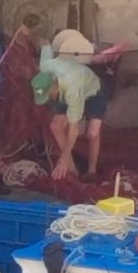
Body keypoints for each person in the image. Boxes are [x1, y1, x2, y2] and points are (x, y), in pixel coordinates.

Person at [31, 43, 109, 180]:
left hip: (93, 91)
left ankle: (92, 171)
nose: (49, 99)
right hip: (64, 90)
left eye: (48, 95)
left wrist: (62, 159)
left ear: (53, 84)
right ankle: (72, 170)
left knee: (92, 133)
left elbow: (74, 129)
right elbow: (45, 45)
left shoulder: (73, 91)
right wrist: (29, 33)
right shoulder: (45, 67)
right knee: (55, 126)